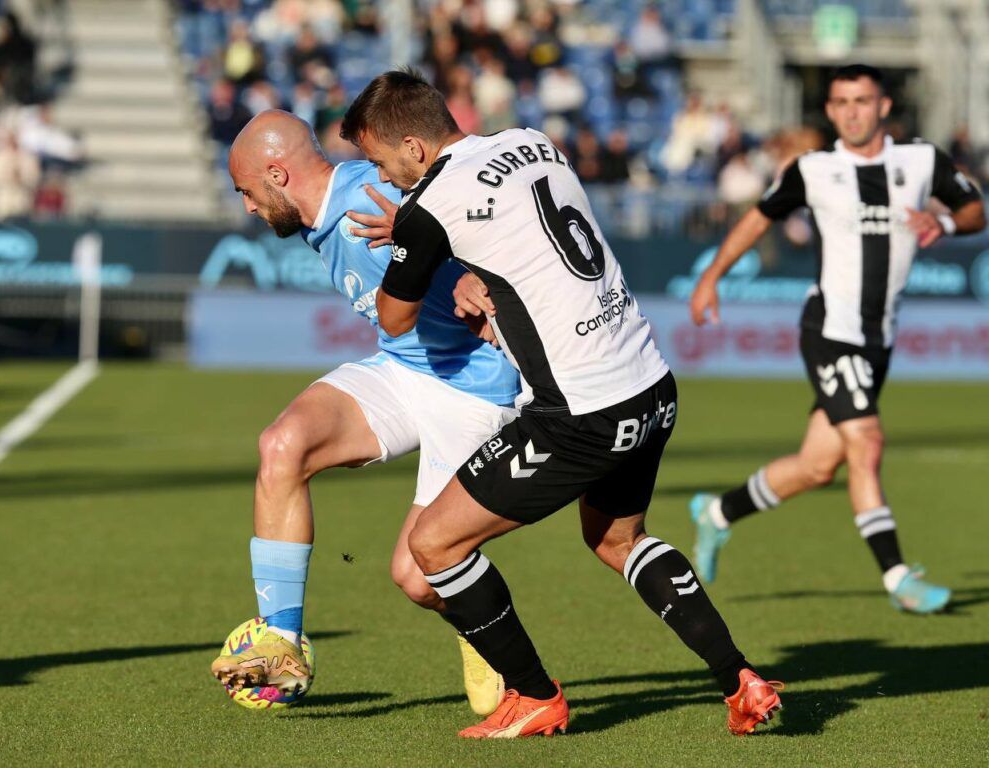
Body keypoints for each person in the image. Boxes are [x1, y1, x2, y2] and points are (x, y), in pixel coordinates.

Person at [340, 69, 783, 739]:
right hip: (651, 388)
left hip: (582, 415)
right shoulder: (533, 139)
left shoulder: (430, 205)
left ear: (413, 146)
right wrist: (452, 253)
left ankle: (533, 694)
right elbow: (517, 234)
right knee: (617, 540)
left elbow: (394, 317)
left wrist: (411, 239)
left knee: (432, 547)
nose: (386, 176)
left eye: (381, 161)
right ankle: (740, 678)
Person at [208, 111, 521, 716]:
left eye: (246, 191)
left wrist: (465, 272)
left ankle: (476, 623)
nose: (247, 207)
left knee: (417, 576)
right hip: (404, 368)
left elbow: (467, 209)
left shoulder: (367, 195)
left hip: (475, 386)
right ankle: (280, 639)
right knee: (282, 445)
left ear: (276, 173)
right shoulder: (318, 212)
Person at [687, 64, 985, 614]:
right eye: (842, 102)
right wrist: (711, 277)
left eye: (863, 100)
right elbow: (759, 218)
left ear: (884, 106)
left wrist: (942, 224)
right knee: (866, 443)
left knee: (817, 465)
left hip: (879, 339)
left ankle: (717, 513)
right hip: (829, 329)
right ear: (829, 111)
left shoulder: (920, 161)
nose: (852, 111)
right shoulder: (814, 170)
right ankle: (897, 576)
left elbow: (973, 210)